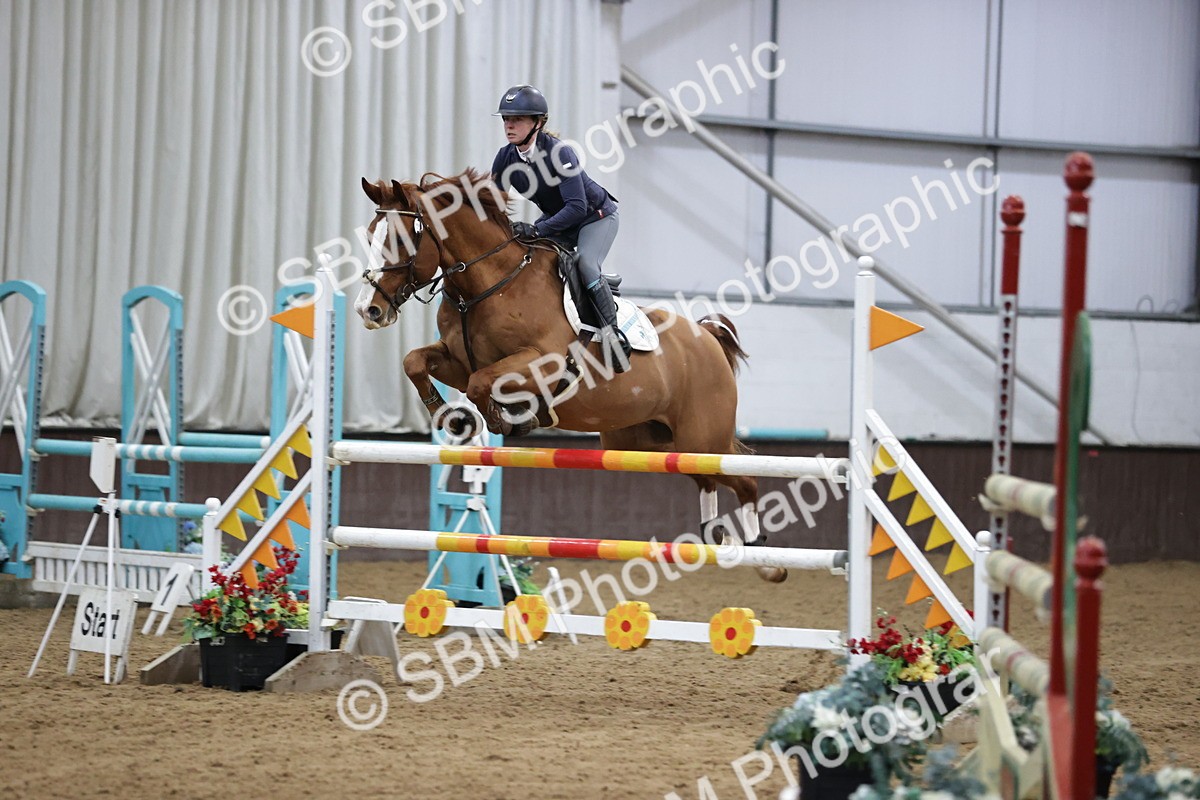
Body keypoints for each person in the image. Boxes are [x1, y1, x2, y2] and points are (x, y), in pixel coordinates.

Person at [489, 84, 631, 371]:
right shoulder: (506, 157)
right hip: (560, 219)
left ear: (538, 123)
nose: (509, 124)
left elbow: (577, 207)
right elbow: (492, 207)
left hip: (596, 217)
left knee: (587, 265)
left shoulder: (560, 153)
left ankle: (612, 336)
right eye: (506, 118)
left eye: (517, 119)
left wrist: (538, 230)